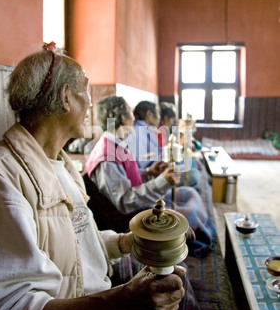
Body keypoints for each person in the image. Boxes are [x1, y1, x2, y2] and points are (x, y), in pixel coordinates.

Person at [0, 44, 214, 310]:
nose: (92, 105)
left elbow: (77, 240)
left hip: (99, 305)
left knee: (180, 301)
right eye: (87, 93)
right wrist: (122, 302)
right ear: (66, 97)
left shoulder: (61, 164)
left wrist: (129, 242)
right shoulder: (4, 179)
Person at [85, 96, 215, 257]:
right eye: (131, 113)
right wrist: (162, 182)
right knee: (188, 215)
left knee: (190, 193)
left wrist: (149, 172)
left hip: (139, 203)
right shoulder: (106, 157)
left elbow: (124, 178)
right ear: (123, 118)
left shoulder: (116, 144)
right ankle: (194, 245)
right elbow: (124, 202)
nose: (134, 117)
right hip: (128, 219)